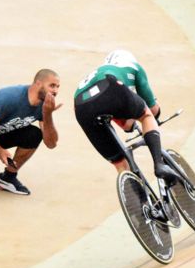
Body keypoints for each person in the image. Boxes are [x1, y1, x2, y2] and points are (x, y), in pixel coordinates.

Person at [74, 50, 179, 182]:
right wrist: (153, 119)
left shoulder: (100, 71)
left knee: (120, 163)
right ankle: (159, 165)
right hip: (109, 85)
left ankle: (138, 200)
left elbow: (126, 124)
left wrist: (129, 124)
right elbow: (153, 109)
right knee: (146, 116)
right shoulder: (133, 66)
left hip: (80, 105)